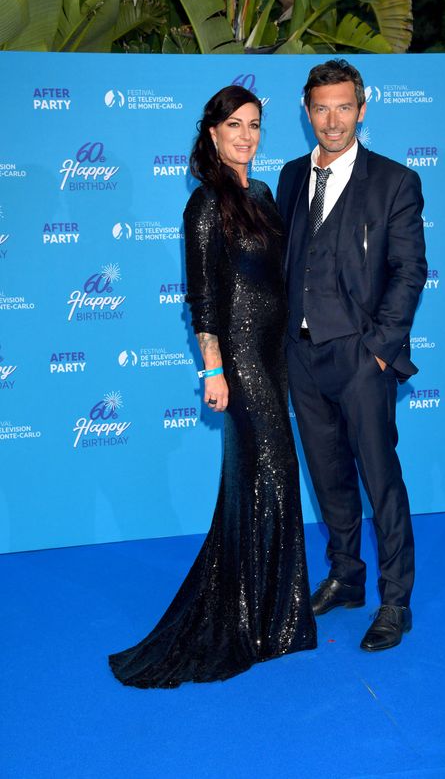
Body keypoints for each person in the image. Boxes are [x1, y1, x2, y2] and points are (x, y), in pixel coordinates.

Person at [109, 86, 317, 686]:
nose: (246, 135)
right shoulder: (206, 203)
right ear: (212, 134)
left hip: (276, 355)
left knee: (254, 479)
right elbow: (201, 295)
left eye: (254, 125)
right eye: (234, 125)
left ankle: (272, 614)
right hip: (241, 359)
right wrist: (214, 367)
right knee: (272, 471)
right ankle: (256, 617)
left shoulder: (263, 194)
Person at [277, 60, 427, 652]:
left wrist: (380, 352)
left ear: (362, 110)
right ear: (307, 111)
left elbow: (409, 272)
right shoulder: (291, 177)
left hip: (362, 358)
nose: (333, 120)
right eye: (322, 107)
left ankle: (396, 600)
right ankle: (346, 576)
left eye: (344, 107)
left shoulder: (394, 181)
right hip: (302, 354)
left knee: (380, 479)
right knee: (328, 474)